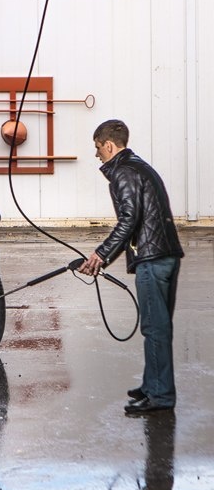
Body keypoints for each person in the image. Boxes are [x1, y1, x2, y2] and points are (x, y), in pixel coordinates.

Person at [78, 120, 183, 415]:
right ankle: (153, 386)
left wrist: (100, 255)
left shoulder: (123, 172)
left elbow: (129, 219)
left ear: (109, 145)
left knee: (155, 328)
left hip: (153, 259)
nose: (97, 155)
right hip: (164, 255)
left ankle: (160, 395)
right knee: (159, 327)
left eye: (98, 148)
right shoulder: (140, 167)